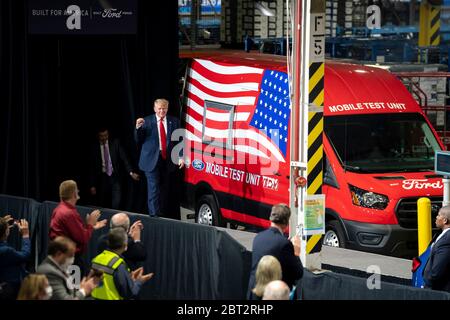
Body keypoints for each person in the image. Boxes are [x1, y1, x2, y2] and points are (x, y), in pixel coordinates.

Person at [135, 98, 184, 218]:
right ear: (154, 108)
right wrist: (137, 128)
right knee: (154, 188)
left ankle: (161, 214)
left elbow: (180, 140)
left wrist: (181, 156)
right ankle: (154, 216)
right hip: (151, 160)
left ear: (167, 108)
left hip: (167, 160)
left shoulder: (174, 121)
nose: (162, 111)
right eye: (159, 108)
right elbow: (138, 139)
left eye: (164, 108)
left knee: (164, 190)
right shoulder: (146, 121)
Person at [49, 180, 107, 276]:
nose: (78, 191)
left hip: (62, 259)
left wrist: (91, 227)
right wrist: (90, 225)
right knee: (73, 289)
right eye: (76, 189)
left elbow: (72, 233)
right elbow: (83, 238)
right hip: (70, 262)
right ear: (73, 194)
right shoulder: (69, 213)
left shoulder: (60, 209)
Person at [247, 204, 303, 299]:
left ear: (270, 219)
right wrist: (296, 252)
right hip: (274, 294)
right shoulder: (284, 244)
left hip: (255, 292)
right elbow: (298, 273)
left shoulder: (258, 238)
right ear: (286, 223)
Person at [91, 228, 153, 300]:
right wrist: (139, 281)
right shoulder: (117, 265)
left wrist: (128, 278)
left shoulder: (96, 259)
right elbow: (129, 293)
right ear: (125, 246)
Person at [89, 128, 140, 209]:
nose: (104, 138)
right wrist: (92, 185)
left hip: (115, 176)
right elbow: (91, 168)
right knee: (102, 202)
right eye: (102, 136)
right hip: (102, 178)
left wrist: (131, 172)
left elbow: (124, 158)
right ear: (98, 136)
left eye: (106, 135)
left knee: (117, 201)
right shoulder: (94, 147)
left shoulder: (115, 143)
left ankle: (115, 219)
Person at [0, 215, 31, 300]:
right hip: (9, 290)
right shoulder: (6, 251)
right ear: (6, 232)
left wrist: (2, 224)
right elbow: (25, 255)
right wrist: (26, 235)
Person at [423, 205, 450, 292]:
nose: (436, 217)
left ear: (445, 220)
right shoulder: (442, 235)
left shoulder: (446, 239)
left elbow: (437, 270)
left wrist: (428, 283)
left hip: (438, 289)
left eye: (438, 215)